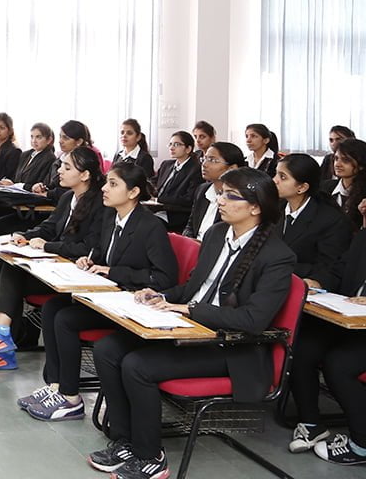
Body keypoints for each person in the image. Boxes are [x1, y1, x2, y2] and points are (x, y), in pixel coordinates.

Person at [89, 168, 295, 479]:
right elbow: (193, 289)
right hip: (191, 329)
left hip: (231, 347)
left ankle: (151, 456)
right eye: (221, 193)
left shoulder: (277, 255)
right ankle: (124, 440)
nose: (220, 200)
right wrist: (160, 296)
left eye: (230, 196)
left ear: (255, 207)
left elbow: (253, 319)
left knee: (137, 365)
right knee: (107, 349)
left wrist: (189, 310)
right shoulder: (216, 235)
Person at [21, 163, 177, 423]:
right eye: (106, 182)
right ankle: (56, 386)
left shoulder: (151, 226)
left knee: (66, 319)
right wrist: (90, 260)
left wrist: (112, 271)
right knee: (52, 307)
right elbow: (105, 255)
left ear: (133, 192)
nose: (104, 188)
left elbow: (163, 277)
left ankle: (71, 397)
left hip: (131, 301)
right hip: (107, 295)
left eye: (113, 184)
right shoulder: (110, 217)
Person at [0, 147, 105, 371]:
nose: (59, 171)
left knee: (14, 275)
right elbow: (48, 227)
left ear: (85, 175)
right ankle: (2, 337)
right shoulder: (68, 197)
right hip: (55, 267)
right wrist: (25, 236)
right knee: (12, 267)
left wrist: (47, 246)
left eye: (67, 167)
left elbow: (87, 248)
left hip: (75, 272)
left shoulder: (99, 205)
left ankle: (2, 342)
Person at [289, 227, 366, 464]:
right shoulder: (363, 237)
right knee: (302, 349)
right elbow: (339, 271)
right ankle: (312, 423)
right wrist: (318, 282)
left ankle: (362, 444)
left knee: (340, 365)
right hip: (351, 320)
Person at [274, 153, 352, 288]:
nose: (274, 180)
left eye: (283, 177)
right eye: (276, 174)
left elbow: (330, 267)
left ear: (302, 187)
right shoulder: (274, 210)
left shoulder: (330, 219)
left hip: (304, 286)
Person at [183, 141, 247, 239]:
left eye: (212, 160)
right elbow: (190, 225)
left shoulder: (238, 198)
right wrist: (187, 240)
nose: (204, 164)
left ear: (232, 168)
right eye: (204, 158)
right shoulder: (202, 190)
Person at [30, 120, 96, 202]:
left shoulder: (85, 160)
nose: (60, 141)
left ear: (79, 141)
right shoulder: (59, 159)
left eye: (65, 138)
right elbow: (50, 184)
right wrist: (42, 187)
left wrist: (49, 193)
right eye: (60, 137)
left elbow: (73, 190)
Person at [153, 130, 202, 230]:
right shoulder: (166, 164)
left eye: (176, 144)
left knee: (147, 223)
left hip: (175, 215)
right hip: (156, 209)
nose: (171, 148)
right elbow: (153, 183)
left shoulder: (196, 170)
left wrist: (160, 199)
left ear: (188, 149)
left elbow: (188, 199)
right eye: (170, 144)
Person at [0, 122, 57, 191]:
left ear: (49, 140)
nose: (34, 141)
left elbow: (41, 185)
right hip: (16, 191)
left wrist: (15, 185)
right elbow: (17, 177)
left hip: (30, 195)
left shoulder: (50, 158)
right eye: (32, 137)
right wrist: (9, 182)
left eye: (38, 137)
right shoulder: (25, 154)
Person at [325, 138, 366, 230]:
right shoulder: (324, 188)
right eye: (336, 159)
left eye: (346, 160)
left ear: (361, 165)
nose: (337, 164)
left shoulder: (364, 195)